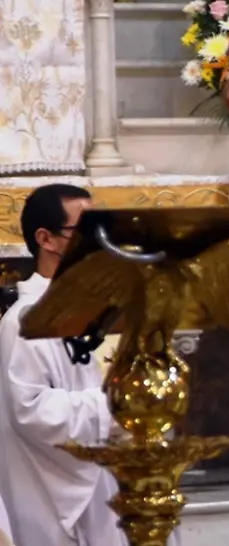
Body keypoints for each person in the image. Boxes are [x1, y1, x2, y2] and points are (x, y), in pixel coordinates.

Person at [0, 184, 126, 546]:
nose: (99, 241)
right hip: (59, 493)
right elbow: (31, 411)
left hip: (111, 474)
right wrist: (116, 404)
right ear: (46, 239)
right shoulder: (26, 322)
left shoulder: (100, 309)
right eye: (85, 230)